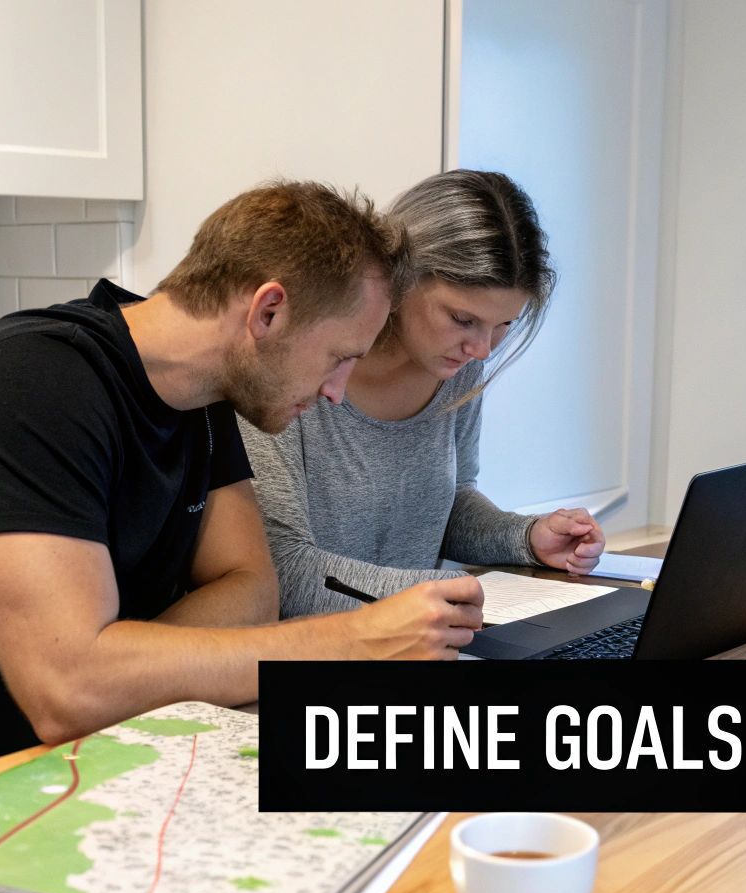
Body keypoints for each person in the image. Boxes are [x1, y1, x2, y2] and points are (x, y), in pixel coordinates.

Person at [0, 182, 485, 820]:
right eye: (339, 357)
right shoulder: (33, 384)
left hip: (64, 770)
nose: (338, 390)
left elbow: (251, 589)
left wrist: (123, 663)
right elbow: (69, 688)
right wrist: (348, 644)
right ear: (268, 311)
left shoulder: (205, 395)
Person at [240, 170, 605, 618]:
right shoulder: (298, 365)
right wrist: (444, 591)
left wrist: (526, 537)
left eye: (504, 324)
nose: (482, 349)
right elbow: (280, 572)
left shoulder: (459, 365)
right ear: (399, 279)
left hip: (413, 647)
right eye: (462, 318)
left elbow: (444, 509)